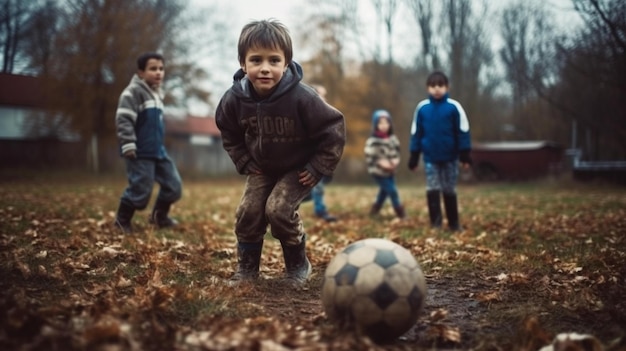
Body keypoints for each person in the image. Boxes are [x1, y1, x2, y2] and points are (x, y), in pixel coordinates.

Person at [215, 19, 346, 287]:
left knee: (278, 209)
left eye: (274, 61)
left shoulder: (302, 97)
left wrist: (318, 166)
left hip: (299, 168)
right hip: (261, 167)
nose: (265, 68)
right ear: (243, 63)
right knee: (249, 212)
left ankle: (298, 265)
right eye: (256, 60)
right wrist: (243, 159)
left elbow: (333, 128)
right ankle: (248, 271)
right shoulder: (234, 99)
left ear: (286, 64)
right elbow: (228, 131)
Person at [113, 52, 183, 234]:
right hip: (139, 151)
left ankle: (159, 217)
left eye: (161, 69)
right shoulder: (133, 92)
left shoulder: (156, 94)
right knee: (141, 192)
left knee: (173, 186)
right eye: (153, 69)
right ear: (141, 72)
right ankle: (121, 221)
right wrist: (128, 143)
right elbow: (124, 119)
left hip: (157, 151)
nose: (158, 72)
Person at [408, 71, 472, 231]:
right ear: (427, 88)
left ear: (447, 87)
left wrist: (465, 154)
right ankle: (435, 224)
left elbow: (463, 131)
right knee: (433, 188)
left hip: (450, 157)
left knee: (449, 189)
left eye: (440, 85)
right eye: (433, 86)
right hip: (430, 158)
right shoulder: (422, 108)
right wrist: (414, 156)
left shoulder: (454, 107)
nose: (436, 89)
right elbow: (416, 133)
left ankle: (454, 224)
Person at [364, 109, 405, 220]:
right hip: (378, 172)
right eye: (380, 123)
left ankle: (375, 210)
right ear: (375, 125)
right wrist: (383, 164)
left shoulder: (393, 139)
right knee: (392, 191)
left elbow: (396, 153)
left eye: (386, 122)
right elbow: (373, 156)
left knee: (384, 192)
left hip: (390, 171)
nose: (384, 125)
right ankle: (401, 213)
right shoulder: (373, 141)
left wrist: (395, 161)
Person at [308, 84, 337, 222]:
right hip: (308, 159)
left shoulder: (325, 115)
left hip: (320, 158)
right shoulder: (307, 114)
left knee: (312, 188)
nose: (325, 98)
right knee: (316, 186)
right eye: (322, 94)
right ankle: (321, 211)